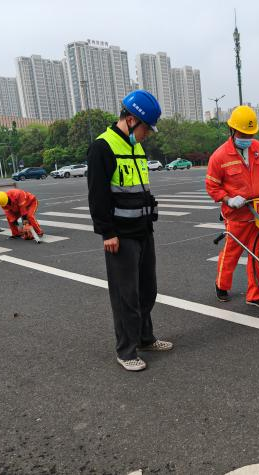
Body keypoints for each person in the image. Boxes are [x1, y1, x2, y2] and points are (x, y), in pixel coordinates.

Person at [87, 90, 172, 372]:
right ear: (132, 119)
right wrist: (107, 232)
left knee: (147, 289)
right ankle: (126, 350)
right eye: (146, 128)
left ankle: (145, 338)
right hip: (120, 235)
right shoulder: (102, 147)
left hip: (143, 229)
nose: (147, 134)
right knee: (126, 296)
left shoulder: (136, 147)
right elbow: (97, 195)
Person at [206, 105, 259, 309]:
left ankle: (254, 295)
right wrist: (228, 199)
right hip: (236, 215)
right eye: (243, 134)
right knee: (231, 254)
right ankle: (221, 285)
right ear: (232, 130)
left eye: (250, 134)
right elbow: (212, 186)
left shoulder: (258, 149)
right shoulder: (219, 156)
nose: (247, 138)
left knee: (258, 254)